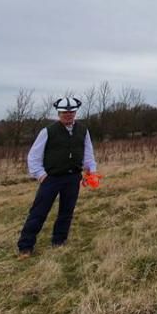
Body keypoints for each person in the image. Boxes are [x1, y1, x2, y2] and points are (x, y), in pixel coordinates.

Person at [17, 96, 97, 258]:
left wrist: (90, 172)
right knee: (39, 212)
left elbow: (88, 154)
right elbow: (33, 156)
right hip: (51, 179)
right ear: (59, 113)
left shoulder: (83, 130)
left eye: (71, 112)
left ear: (75, 112)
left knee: (66, 212)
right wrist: (41, 175)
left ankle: (59, 241)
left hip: (73, 178)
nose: (68, 115)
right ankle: (26, 246)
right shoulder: (48, 131)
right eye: (64, 112)